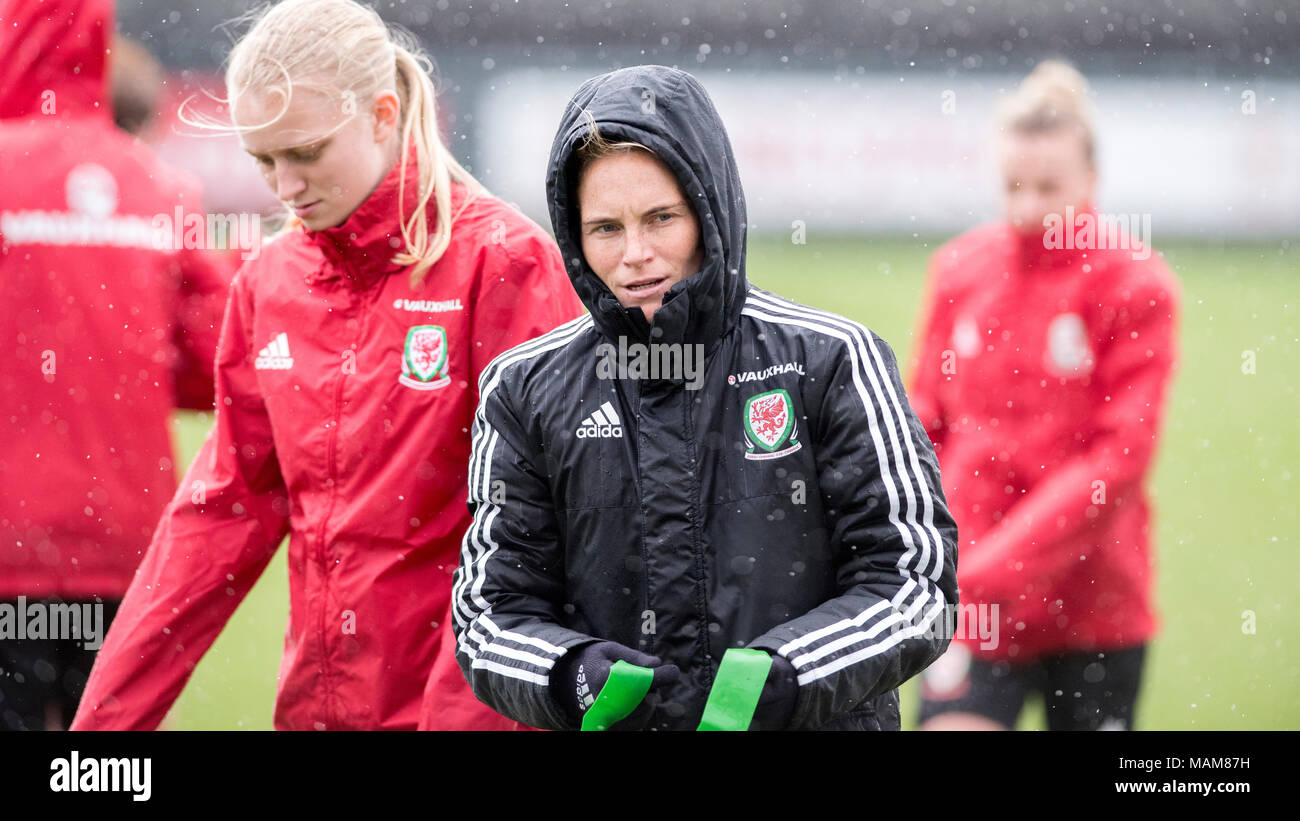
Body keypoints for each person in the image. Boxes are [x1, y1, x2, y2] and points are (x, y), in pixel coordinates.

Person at [71, 0, 583, 731]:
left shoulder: (503, 264)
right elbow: (218, 517)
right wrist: (100, 730)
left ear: (382, 115)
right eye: (264, 160)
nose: (285, 185)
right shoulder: (268, 284)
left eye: (305, 152)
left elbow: (539, 531)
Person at [448, 65, 959, 731]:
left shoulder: (832, 359)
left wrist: (789, 675)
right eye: (606, 228)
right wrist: (568, 673)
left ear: (710, 206)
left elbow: (917, 587)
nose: (635, 253)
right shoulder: (525, 388)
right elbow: (488, 616)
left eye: (662, 217)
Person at [911, 61, 1180, 731]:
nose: (1027, 206)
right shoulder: (960, 269)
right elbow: (924, 422)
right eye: (1013, 186)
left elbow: (1118, 460)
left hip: (1094, 602)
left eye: (1048, 187)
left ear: (1091, 179)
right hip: (974, 599)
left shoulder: (1135, 284)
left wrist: (989, 565)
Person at [0, 0, 232, 731]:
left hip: (7, 548)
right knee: (101, 762)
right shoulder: (155, 185)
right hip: (123, 542)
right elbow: (215, 360)